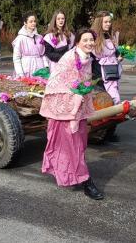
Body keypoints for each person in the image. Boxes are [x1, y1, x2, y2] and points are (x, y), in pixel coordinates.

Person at [39, 29, 102, 199]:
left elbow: (84, 83)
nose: (89, 43)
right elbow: (57, 82)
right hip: (66, 109)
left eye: (91, 40)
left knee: (79, 144)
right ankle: (87, 182)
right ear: (77, 42)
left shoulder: (87, 58)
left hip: (79, 106)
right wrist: (73, 101)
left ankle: (71, 173)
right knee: (73, 145)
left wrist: (82, 96)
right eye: (85, 40)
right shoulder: (69, 57)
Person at [91, 12, 122, 105]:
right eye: (106, 22)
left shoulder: (110, 36)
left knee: (114, 100)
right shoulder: (92, 37)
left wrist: (119, 57)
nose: (108, 24)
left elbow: (115, 52)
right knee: (102, 103)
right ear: (99, 22)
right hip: (99, 77)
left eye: (109, 21)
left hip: (111, 74)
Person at [12, 11, 49, 77]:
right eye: (31, 21)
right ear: (25, 23)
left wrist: (46, 67)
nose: (33, 23)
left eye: (34, 21)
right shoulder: (20, 38)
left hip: (39, 69)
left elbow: (43, 54)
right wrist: (20, 74)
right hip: (26, 69)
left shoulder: (39, 37)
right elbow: (16, 58)